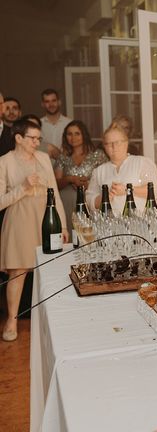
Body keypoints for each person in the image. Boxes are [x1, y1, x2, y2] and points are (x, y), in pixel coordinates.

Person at [0, 118, 68, 341]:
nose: (36, 142)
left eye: (39, 138)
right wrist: (23, 187)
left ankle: (54, 319)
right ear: (18, 138)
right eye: (32, 138)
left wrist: (63, 223)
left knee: (49, 269)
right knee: (18, 272)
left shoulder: (43, 158)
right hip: (19, 219)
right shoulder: (5, 162)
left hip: (46, 218)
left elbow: (54, 194)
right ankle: (12, 320)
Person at [86, 124, 157, 213]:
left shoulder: (142, 162)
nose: (114, 147)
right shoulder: (99, 171)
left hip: (140, 221)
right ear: (104, 146)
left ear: (126, 143)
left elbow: (155, 189)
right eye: (109, 144)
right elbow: (89, 200)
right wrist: (103, 197)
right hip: (110, 223)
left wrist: (128, 190)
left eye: (118, 142)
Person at [54, 120, 108, 234]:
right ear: (65, 137)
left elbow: (106, 179)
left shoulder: (98, 155)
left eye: (77, 133)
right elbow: (56, 184)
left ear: (84, 134)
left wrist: (88, 184)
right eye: (69, 134)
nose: (73, 137)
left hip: (90, 201)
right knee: (71, 233)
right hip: (67, 202)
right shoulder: (62, 157)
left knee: (89, 234)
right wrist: (70, 179)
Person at [40, 88, 70, 155]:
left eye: (54, 101)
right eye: (47, 101)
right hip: (44, 163)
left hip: (66, 163)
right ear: (42, 104)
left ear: (59, 102)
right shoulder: (38, 125)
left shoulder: (69, 123)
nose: (51, 104)